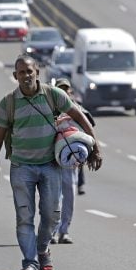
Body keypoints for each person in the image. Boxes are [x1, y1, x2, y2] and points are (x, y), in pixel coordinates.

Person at [0, 55, 102, 270]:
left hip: (50, 165)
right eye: (21, 72)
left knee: (51, 215)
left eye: (29, 71)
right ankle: (29, 263)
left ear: (37, 71)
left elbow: (81, 117)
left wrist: (95, 147)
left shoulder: (53, 94)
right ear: (15, 76)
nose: (26, 76)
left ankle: (43, 247)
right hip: (21, 167)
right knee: (24, 217)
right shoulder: (8, 103)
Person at [50, 78, 93, 245]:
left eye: (66, 89)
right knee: (54, 198)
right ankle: (52, 231)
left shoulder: (78, 110)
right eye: (60, 89)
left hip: (72, 162)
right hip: (52, 161)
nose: (64, 92)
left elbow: (88, 132)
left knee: (69, 198)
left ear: (70, 92)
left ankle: (64, 231)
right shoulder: (48, 109)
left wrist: (89, 153)